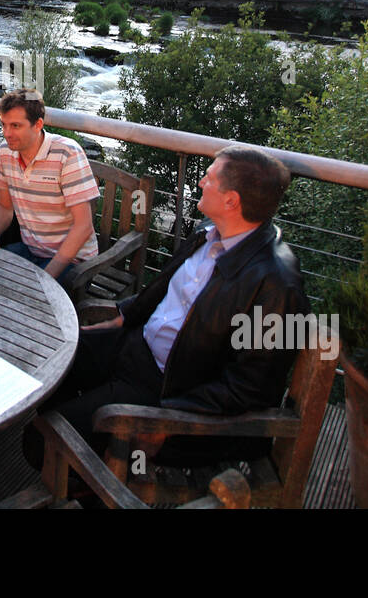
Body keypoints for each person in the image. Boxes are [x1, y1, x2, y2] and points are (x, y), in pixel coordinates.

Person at [36, 145, 310, 465]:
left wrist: (168, 418)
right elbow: (164, 289)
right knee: (50, 361)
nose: (200, 184)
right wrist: (123, 317)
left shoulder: (277, 285)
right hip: (137, 347)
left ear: (231, 200)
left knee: (40, 441)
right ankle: (80, 441)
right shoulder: (207, 233)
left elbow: (250, 390)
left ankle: (93, 478)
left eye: (208, 178)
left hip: (171, 390)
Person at [0, 89, 98, 283]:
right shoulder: (5, 153)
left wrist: (47, 276)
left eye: (15, 126)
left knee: (26, 298)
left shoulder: (67, 154)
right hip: (30, 250)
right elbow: (5, 206)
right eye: (4, 125)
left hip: (71, 260)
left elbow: (83, 226)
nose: (7, 133)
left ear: (37, 125)